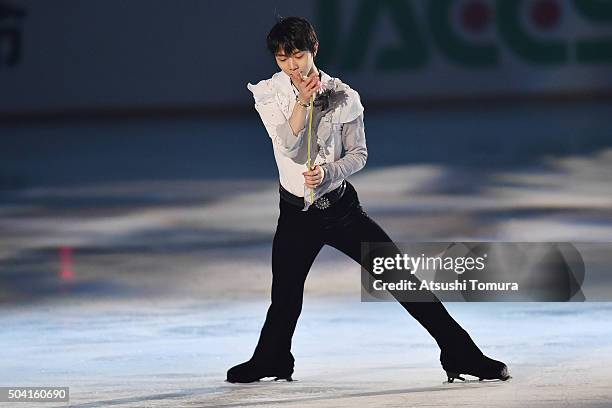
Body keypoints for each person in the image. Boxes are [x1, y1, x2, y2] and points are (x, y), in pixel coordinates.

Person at [226, 16, 510, 384]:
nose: (291, 65)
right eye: (282, 59)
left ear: (314, 49)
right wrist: (304, 102)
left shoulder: (345, 97)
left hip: (341, 211)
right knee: (284, 296)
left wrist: (329, 172)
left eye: (297, 55)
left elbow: (358, 155)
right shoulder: (270, 93)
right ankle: (272, 358)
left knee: (403, 281)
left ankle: (461, 353)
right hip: (296, 215)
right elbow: (287, 144)